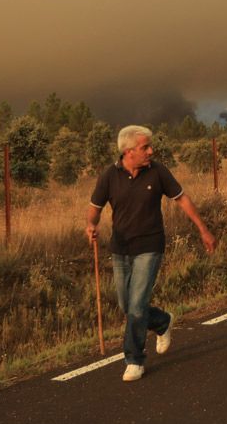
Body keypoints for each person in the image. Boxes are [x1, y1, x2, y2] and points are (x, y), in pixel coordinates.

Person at [85, 125, 217, 382]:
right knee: (127, 305)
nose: (151, 151)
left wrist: (203, 229)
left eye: (149, 146)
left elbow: (182, 199)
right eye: (145, 147)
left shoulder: (157, 172)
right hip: (120, 249)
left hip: (150, 246)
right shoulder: (109, 176)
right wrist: (91, 226)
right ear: (128, 151)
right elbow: (95, 208)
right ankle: (162, 321)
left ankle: (134, 359)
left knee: (135, 306)